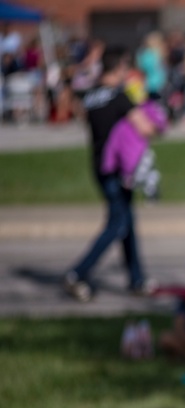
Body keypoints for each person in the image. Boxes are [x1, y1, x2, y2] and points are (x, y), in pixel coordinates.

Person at [63, 46, 158, 303]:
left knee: (127, 222)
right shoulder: (119, 97)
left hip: (98, 165)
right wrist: (158, 119)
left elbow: (84, 118)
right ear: (118, 68)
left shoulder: (91, 96)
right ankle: (78, 273)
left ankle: (137, 279)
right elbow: (145, 127)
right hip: (120, 169)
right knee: (118, 223)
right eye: (125, 68)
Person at [101, 98, 168, 199]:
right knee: (147, 163)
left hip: (121, 168)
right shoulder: (126, 128)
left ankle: (147, 188)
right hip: (124, 169)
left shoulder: (123, 126)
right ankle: (147, 188)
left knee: (148, 167)